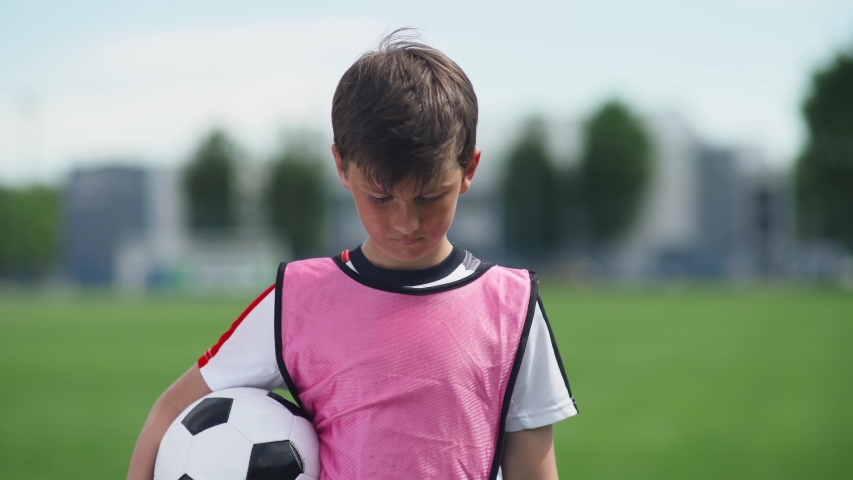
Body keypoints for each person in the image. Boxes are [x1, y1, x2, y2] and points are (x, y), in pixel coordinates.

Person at [128, 30, 577, 480]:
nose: (406, 222)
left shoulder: (512, 306)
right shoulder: (297, 301)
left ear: (469, 169)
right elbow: (172, 406)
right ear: (342, 166)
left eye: (429, 196)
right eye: (381, 198)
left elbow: (534, 463)